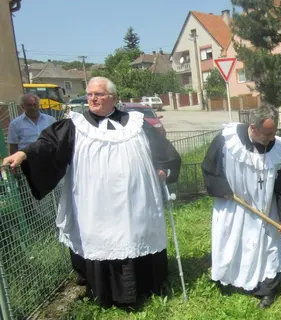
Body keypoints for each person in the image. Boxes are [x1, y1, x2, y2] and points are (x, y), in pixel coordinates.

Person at [2, 77, 182, 307]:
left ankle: (145, 286)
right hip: (95, 202)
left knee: (136, 234)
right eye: (89, 95)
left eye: (98, 94)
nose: (93, 99)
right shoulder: (75, 125)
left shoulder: (136, 123)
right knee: (101, 237)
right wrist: (23, 154)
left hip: (135, 200)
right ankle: (105, 291)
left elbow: (160, 149)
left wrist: (163, 169)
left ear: (113, 98)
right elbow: (47, 145)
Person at [201, 104, 281, 308]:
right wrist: (227, 192)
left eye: (274, 132)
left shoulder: (279, 149)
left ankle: (266, 289)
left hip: (266, 210)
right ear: (253, 128)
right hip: (234, 205)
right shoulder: (227, 141)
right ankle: (232, 279)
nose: (272, 138)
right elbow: (211, 169)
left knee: (269, 249)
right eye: (267, 133)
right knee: (232, 244)